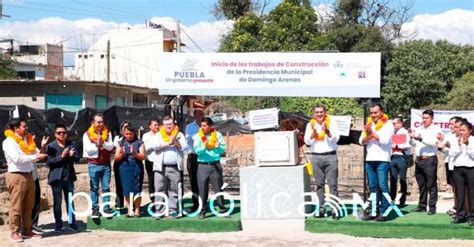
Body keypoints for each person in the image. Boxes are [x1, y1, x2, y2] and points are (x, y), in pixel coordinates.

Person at [2, 118, 47, 242]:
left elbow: (37, 155)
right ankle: (14, 231)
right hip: (16, 175)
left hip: (29, 174)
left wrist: (41, 150)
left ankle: (27, 230)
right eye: (24, 126)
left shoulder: (28, 140)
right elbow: (17, 159)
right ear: (16, 128)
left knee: (29, 205)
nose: (27, 128)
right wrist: (35, 156)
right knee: (16, 206)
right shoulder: (9, 142)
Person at [303, 104, 340, 219]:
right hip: (316, 157)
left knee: (332, 184)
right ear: (314, 114)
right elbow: (307, 141)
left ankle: (335, 210)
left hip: (330, 156)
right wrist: (312, 135)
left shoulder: (331, 122)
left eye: (321, 112)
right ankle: (321, 209)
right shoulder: (310, 125)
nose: (319, 114)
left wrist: (327, 131)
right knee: (319, 185)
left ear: (325, 113)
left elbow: (337, 138)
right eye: (317, 112)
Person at [359, 104, 394, 222]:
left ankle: (384, 212)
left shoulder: (388, 124)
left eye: (375, 112)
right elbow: (361, 141)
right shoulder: (369, 124)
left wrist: (371, 133)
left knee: (383, 186)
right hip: (370, 159)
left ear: (381, 112)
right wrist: (368, 133)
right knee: (373, 187)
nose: (373, 115)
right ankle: (374, 211)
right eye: (372, 113)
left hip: (383, 159)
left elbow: (384, 141)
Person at [147, 116, 187, 218]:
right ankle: (159, 210)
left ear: (173, 124)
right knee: (159, 188)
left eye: (170, 124)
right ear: (163, 126)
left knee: (174, 189)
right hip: (160, 167)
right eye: (166, 125)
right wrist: (168, 143)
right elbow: (153, 145)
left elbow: (184, 148)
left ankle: (172, 209)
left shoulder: (179, 134)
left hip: (174, 167)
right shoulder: (158, 134)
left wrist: (175, 140)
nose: (168, 126)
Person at [45, 124, 80, 232]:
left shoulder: (71, 144)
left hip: (68, 177)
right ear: (55, 134)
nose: (62, 134)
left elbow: (78, 158)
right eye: (59, 133)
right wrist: (62, 156)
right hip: (56, 178)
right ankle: (58, 224)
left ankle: (72, 222)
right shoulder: (51, 146)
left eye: (64, 132)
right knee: (57, 202)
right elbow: (49, 162)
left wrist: (72, 155)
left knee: (70, 201)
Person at [193, 117, 228, 219]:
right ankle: (202, 211)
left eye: (205, 125)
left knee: (218, 187)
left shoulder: (218, 135)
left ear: (210, 126)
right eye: (201, 125)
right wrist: (206, 145)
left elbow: (222, 150)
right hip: (202, 165)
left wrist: (217, 146)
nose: (202, 127)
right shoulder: (197, 136)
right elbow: (197, 151)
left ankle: (221, 208)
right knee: (202, 189)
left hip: (215, 165)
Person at [409, 109, 442, 215]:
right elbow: (413, 143)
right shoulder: (419, 128)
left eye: (427, 118)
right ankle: (422, 205)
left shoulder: (436, 129)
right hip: (419, 159)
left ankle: (432, 207)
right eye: (423, 118)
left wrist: (420, 138)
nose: (424, 120)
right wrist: (411, 137)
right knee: (421, 184)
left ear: (432, 118)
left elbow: (433, 143)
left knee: (431, 184)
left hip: (429, 159)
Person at [83, 113, 114, 218]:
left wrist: (103, 143)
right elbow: (88, 149)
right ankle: (95, 209)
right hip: (93, 164)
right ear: (93, 123)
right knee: (94, 187)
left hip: (106, 164)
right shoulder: (87, 134)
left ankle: (106, 207)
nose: (101, 124)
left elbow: (110, 147)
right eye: (98, 122)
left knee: (106, 187)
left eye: (102, 121)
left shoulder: (108, 133)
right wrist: (97, 144)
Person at [113, 125, 145, 217]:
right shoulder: (121, 142)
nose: (128, 135)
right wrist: (122, 155)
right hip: (124, 168)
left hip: (136, 168)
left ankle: (137, 209)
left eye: (130, 134)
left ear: (134, 133)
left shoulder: (139, 142)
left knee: (137, 189)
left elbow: (143, 156)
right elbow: (116, 157)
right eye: (126, 134)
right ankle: (129, 209)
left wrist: (136, 155)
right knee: (126, 190)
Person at [449, 120, 474, 225]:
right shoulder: (456, 140)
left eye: (464, 130)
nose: (462, 132)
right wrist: (459, 145)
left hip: (470, 169)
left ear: (470, 131)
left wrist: (467, 144)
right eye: (460, 130)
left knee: (472, 193)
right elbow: (451, 153)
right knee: (459, 193)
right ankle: (460, 215)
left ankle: (472, 216)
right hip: (458, 169)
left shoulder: (472, 140)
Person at [438, 116, 463, 216]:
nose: (451, 127)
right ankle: (456, 205)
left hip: (459, 165)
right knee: (454, 186)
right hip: (449, 162)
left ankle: (460, 207)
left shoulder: (461, 136)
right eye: (450, 125)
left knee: (460, 187)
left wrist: (449, 147)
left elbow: (457, 150)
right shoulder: (449, 135)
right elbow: (445, 150)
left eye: (453, 125)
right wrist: (441, 146)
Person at [389, 116, 412, 207]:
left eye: (394, 123)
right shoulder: (393, 133)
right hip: (393, 157)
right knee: (393, 179)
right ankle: (392, 198)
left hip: (402, 157)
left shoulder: (404, 132)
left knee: (402, 179)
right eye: (393, 123)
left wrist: (397, 146)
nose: (393, 125)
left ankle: (402, 200)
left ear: (400, 123)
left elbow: (407, 145)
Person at [185, 109, 204, 211]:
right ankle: (195, 204)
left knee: (203, 181)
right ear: (195, 115)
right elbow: (188, 138)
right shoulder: (190, 127)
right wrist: (200, 135)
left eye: (203, 114)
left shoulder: (206, 126)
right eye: (199, 114)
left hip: (203, 157)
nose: (201, 116)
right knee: (193, 181)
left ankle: (203, 204)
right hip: (193, 156)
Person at [112, 121, 131, 210]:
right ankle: (119, 204)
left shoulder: (135, 139)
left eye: (128, 127)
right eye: (124, 128)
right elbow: (117, 147)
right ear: (121, 130)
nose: (126, 130)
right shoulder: (118, 138)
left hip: (130, 164)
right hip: (119, 163)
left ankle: (131, 205)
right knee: (119, 184)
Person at [142, 118, 160, 203]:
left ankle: (161, 199)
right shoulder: (145, 136)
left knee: (160, 181)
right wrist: (155, 146)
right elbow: (145, 148)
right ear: (150, 126)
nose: (157, 126)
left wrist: (154, 146)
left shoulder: (161, 134)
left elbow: (160, 146)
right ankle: (153, 200)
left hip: (159, 161)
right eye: (155, 125)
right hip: (149, 160)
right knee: (151, 180)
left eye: (157, 125)